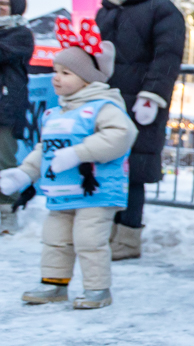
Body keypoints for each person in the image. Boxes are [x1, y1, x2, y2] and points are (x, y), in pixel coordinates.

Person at [0, 21, 136, 309]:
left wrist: (79, 153)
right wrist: (23, 173)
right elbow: (44, 150)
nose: (56, 78)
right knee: (56, 239)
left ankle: (98, 289)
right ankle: (54, 283)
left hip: (95, 192)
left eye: (65, 73)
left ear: (88, 79)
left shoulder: (103, 106)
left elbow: (121, 136)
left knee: (89, 241)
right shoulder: (55, 112)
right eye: (55, 72)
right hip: (61, 191)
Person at [95, 0, 185, 259]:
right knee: (106, 165)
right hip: (106, 102)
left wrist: (152, 96)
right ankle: (106, 232)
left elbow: (167, 56)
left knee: (133, 171)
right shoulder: (105, 11)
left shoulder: (162, 9)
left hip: (141, 105)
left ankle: (128, 238)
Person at [0, 0, 34, 234]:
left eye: (3, 3)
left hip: (6, 107)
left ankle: (5, 213)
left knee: (3, 160)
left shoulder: (20, 33)